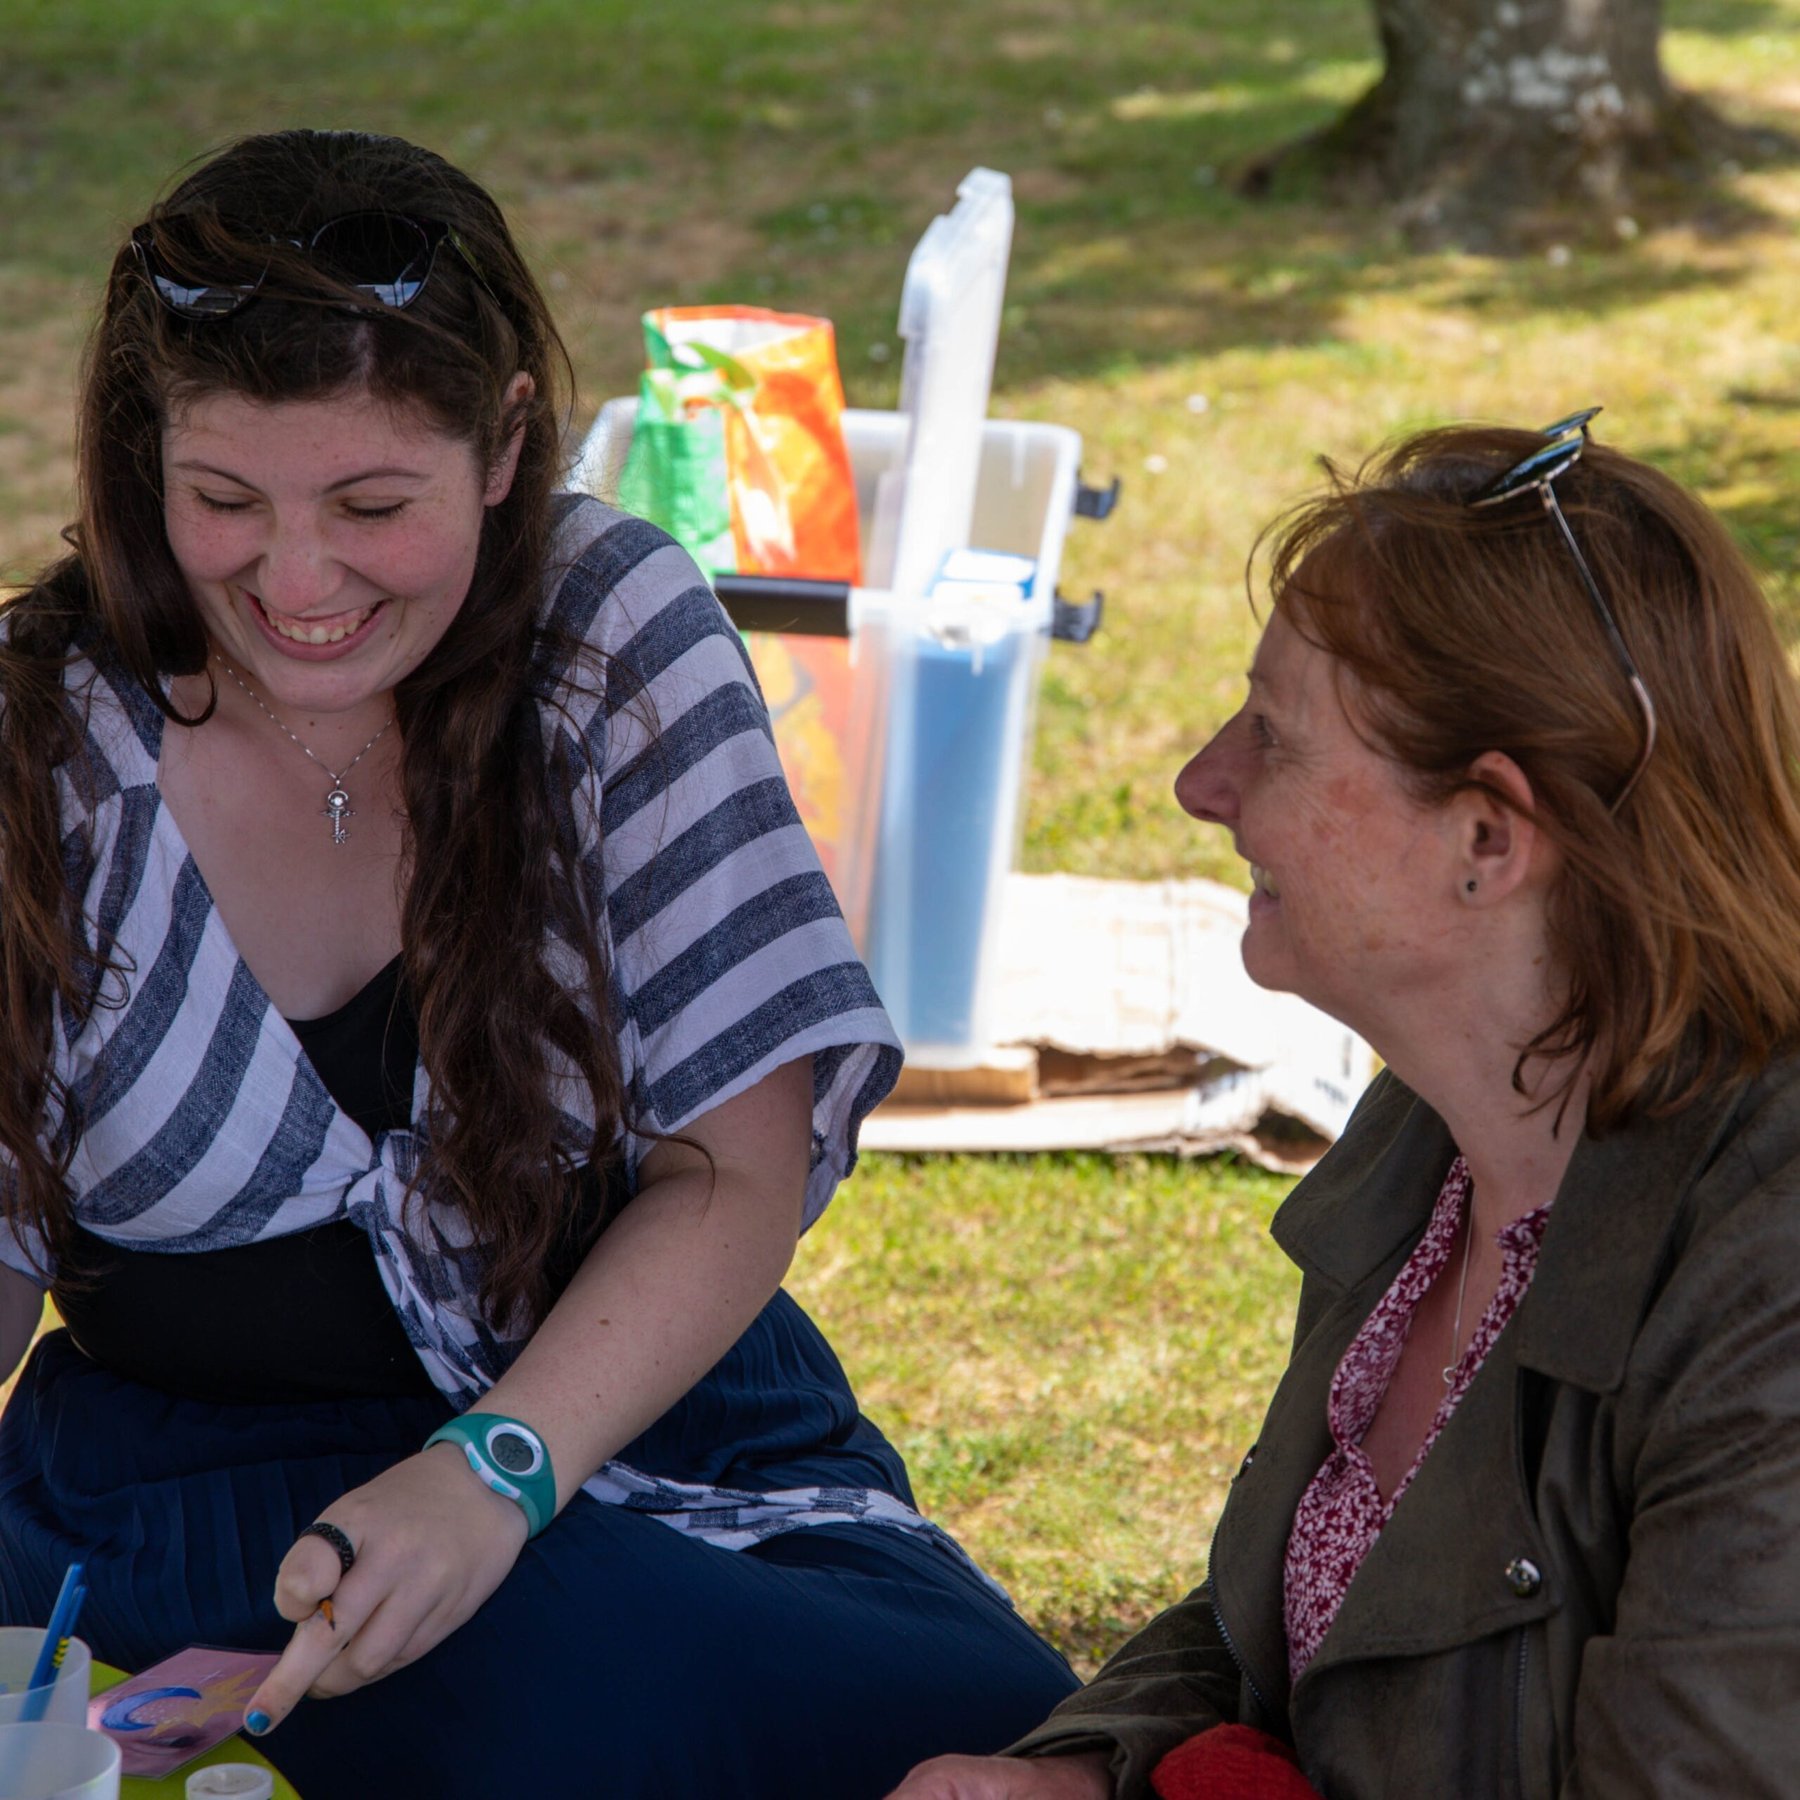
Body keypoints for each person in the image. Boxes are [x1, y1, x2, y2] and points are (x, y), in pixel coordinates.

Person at [0, 129, 1076, 1799]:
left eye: (373, 506)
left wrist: (494, 1473)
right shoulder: (40, 739)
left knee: (1006, 1736)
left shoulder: (610, 633)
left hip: (640, 1443)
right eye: (223, 502)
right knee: (558, 1712)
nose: (297, 581)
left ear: (506, 445)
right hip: (194, 1503)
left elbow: (733, 1169)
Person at [888, 411, 1800, 1798]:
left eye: (1276, 737)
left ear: (1487, 838)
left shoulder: (1764, 1285)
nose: (1204, 782)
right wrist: (1083, 1770)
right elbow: (1296, 1623)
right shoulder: (1444, 1129)